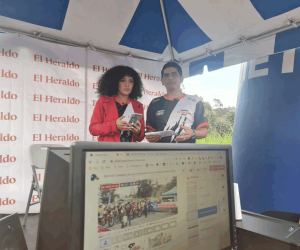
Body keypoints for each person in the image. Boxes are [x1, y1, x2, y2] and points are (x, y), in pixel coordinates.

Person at [145, 62, 209, 143]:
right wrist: (151, 136)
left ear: (181, 79)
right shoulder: (154, 103)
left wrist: (193, 133)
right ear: (162, 80)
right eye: (166, 75)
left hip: (186, 153)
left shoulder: (195, 102)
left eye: (174, 74)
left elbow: (204, 131)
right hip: (161, 153)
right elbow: (149, 130)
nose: (170, 78)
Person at [89, 65, 145, 142]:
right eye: (123, 80)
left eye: (131, 81)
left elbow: (140, 137)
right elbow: (93, 129)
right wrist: (114, 126)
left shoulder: (138, 106)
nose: (127, 85)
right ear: (115, 82)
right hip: (108, 151)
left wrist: (138, 133)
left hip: (129, 152)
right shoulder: (103, 101)